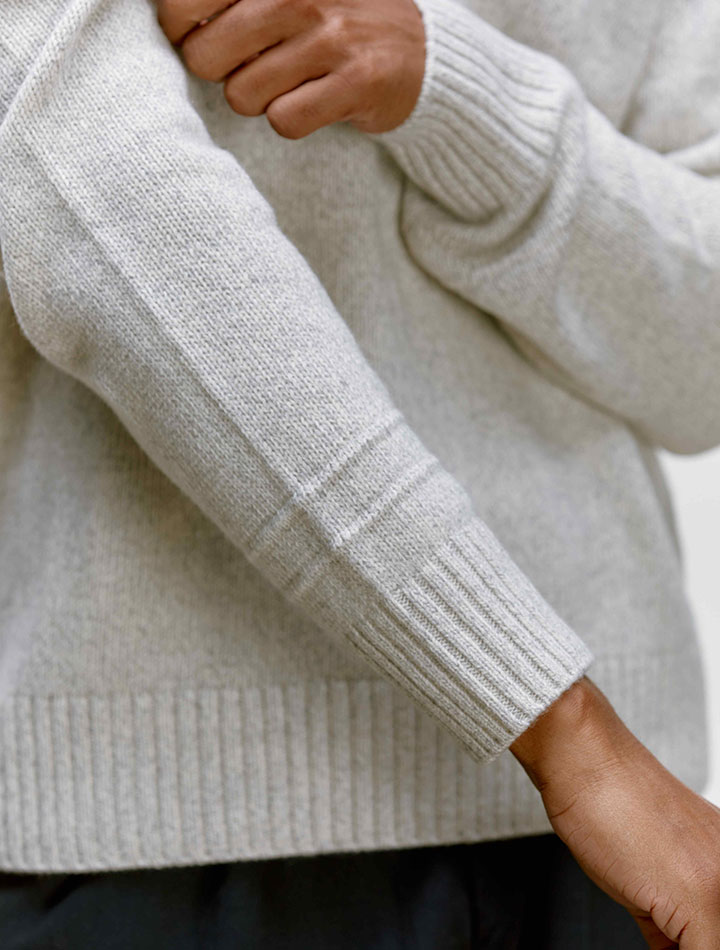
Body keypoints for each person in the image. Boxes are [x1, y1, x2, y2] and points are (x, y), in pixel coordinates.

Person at [0, 0, 719, 945]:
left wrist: (449, 87)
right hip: (173, 829)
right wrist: (560, 723)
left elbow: (701, 372)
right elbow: (102, 209)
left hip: (620, 836)